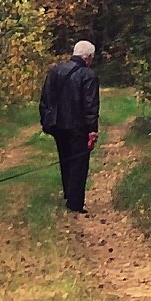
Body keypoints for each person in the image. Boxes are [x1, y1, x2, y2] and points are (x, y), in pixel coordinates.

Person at [39, 40, 100, 214]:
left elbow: (45, 98)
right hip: (78, 126)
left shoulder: (55, 71)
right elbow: (91, 105)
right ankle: (75, 202)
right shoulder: (88, 75)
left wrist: (46, 121)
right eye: (91, 58)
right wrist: (92, 129)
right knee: (79, 162)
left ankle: (69, 193)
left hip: (57, 125)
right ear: (87, 57)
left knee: (65, 159)